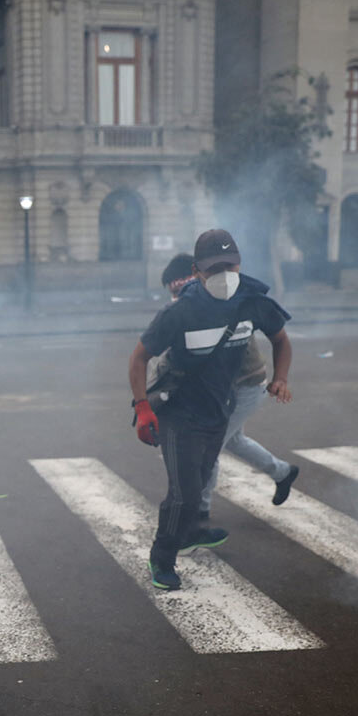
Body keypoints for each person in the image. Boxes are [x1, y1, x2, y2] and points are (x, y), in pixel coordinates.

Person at [128, 230, 294, 591]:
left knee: (198, 484)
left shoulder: (252, 302)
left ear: (239, 264)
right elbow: (140, 357)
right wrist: (143, 407)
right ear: (197, 271)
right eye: (213, 267)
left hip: (219, 411)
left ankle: (186, 531)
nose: (223, 273)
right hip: (179, 414)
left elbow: (280, 339)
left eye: (229, 265)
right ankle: (163, 558)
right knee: (184, 493)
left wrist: (280, 377)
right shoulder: (180, 312)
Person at [158, 256, 299, 521]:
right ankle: (283, 472)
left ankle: (200, 512)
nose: (177, 298)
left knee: (207, 448)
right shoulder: (191, 306)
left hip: (245, 386)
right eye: (173, 293)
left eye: (178, 290)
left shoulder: (215, 305)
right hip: (223, 389)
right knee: (234, 440)